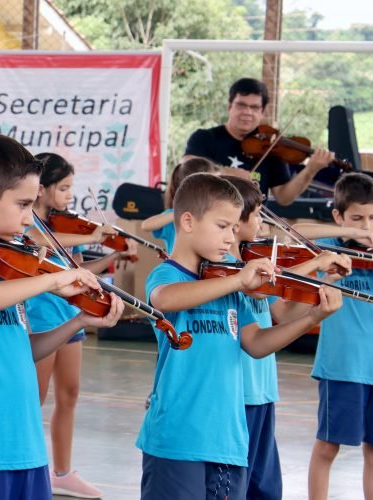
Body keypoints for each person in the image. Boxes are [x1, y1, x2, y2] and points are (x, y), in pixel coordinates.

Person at [0, 133, 125, 500]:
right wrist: (52, 279)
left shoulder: (8, 266)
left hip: (27, 444)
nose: (29, 218)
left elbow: (21, 348)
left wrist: (77, 322)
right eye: (22, 204)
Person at [137, 173, 342, 500]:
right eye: (222, 226)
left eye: (235, 228)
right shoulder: (168, 274)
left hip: (228, 440)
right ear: (188, 221)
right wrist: (239, 282)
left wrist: (314, 317)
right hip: (178, 440)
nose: (231, 239)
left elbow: (257, 344)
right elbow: (164, 298)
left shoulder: (231, 281)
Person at [222, 175, 350, 500]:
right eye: (258, 214)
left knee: (265, 489)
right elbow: (264, 286)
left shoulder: (251, 263)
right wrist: (314, 262)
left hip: (263, 392)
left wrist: (317, 281)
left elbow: (278, 314)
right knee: (236, 487)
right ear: (236, 222)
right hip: (241, 395)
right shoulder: (231, 271)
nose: (264, 221)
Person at [24, 152, 129, 499]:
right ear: (41, 189)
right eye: (64, 188)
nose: (70, 196)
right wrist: (92, 234)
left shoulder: (69, 229)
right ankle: (30, 466)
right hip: (40, 319)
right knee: (34, 399)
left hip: (70, 316)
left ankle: (63, 472)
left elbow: (82, 272)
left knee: (69, 394)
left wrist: (112, 257)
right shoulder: (27, 223)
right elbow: (39, 243)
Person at [290, 173, 373, 500]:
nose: (366, 227)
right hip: (343, 366)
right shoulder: (328, 251)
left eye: (372, 218)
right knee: (328, 447)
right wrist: (346, 234)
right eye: (357, 218)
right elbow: (294, 232)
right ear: (338, 216)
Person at [184, 78, 335, 206]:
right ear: (229, 107)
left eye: (255, 107)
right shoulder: (204, 138)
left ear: (262, 112)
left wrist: (310, 170)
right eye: (241, 105)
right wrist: (225, 172)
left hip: (252, 226)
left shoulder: (272, 148)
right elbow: (186, 165)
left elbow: (283, 197)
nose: (248, 112)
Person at [140, 157, 218, 253]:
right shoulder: (174, 215)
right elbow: (146, 225)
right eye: (213, 186)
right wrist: (178, 212)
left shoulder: (214, 213)